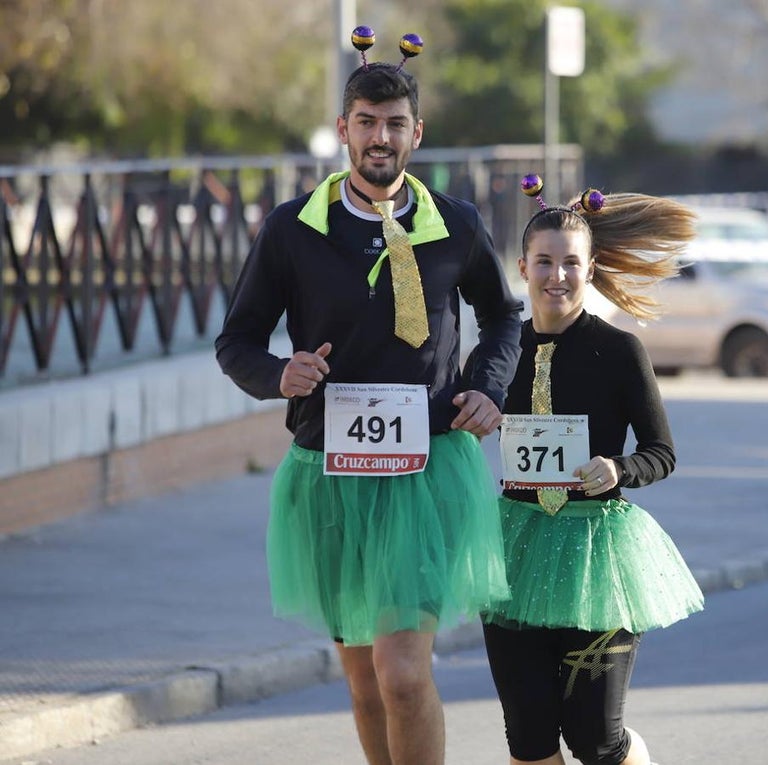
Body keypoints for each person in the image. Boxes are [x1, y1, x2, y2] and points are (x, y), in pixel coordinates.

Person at [214, 27, 523, 765]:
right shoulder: (293, 229)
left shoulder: (457, 224)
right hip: (329, 475)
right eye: (365, 122)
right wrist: (277, 373)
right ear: (345, 130)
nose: (379, 138)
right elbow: (237, 341)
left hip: (427, 474)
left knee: (404, 675)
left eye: (394, 124)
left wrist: (487, 386)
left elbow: (503, 313)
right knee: (361, 684)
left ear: (416, 132)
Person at [479, 175, 704, 765]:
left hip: (595, 555)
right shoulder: (501, 352)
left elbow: (662, 451)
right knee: (527, 740)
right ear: (523, 266)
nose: (557, 277)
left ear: (592, 267)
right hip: (514, 551)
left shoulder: (620, 349)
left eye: (571, 264)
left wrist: (618, 468)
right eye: (544, 263)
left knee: (595, 739)